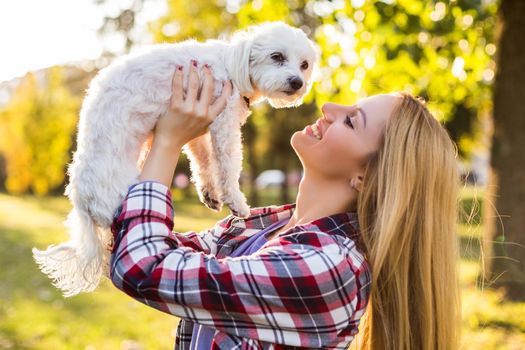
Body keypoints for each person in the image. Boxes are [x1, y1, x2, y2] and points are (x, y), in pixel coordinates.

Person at [109, 61, 461, 350]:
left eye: (351, 120)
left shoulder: (328, 268)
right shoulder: (265, 227)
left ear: (366, 177)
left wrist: (169, 142)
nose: (328, 108)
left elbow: (141, 266)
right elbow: (133, 243)